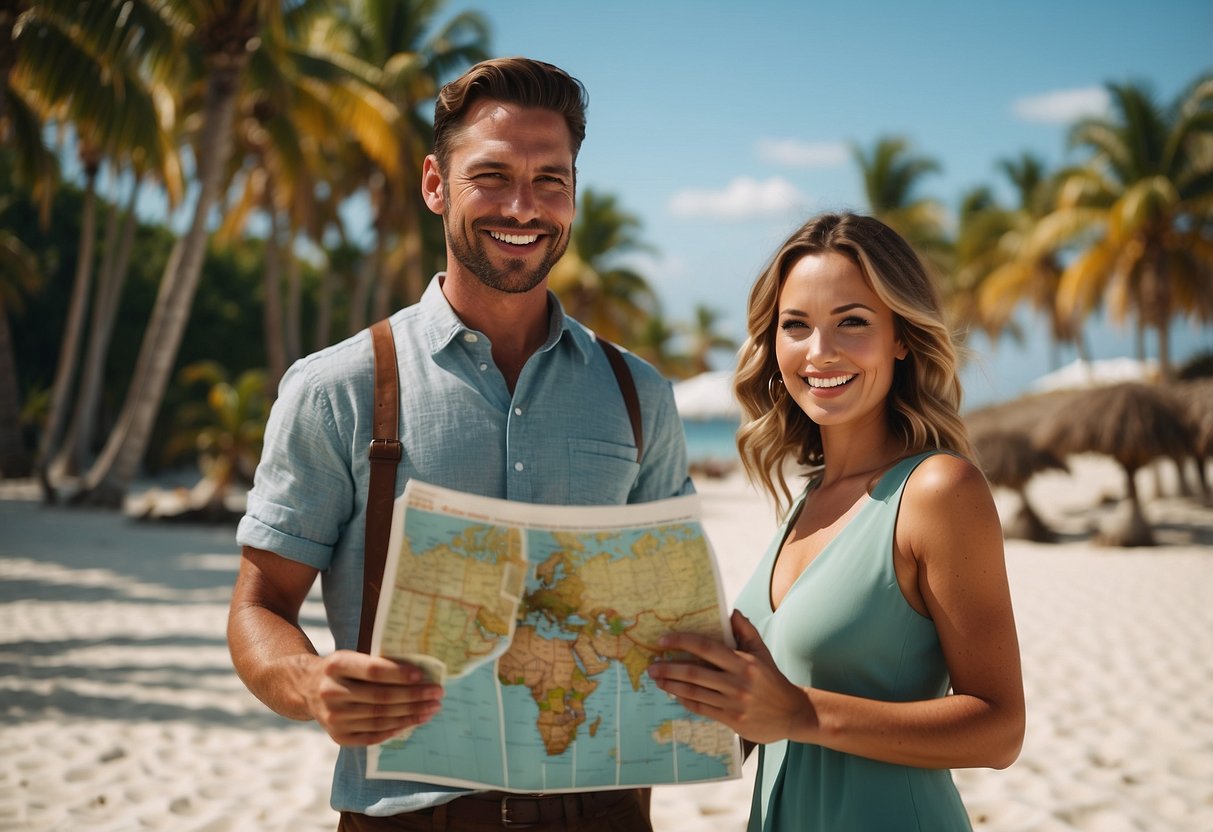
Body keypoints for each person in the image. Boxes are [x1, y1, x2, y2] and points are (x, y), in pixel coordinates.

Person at [228, 57, 691, 831]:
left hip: (606, 809)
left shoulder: (639, 396)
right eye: (492, 176)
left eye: (551, 178)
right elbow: (259, 605)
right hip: (409, 814)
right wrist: (310, 684)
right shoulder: (336, 388)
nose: (524, 205)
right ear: (435, 184)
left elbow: (665, 628)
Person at [647, 212, 1025, 831]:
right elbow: (766, 718)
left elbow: (1000, 729)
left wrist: (798, 714)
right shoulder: (808, 500)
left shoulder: (937, 491)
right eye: (796, 326)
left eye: (852, 322)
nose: (820, 352)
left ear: (900, 336)